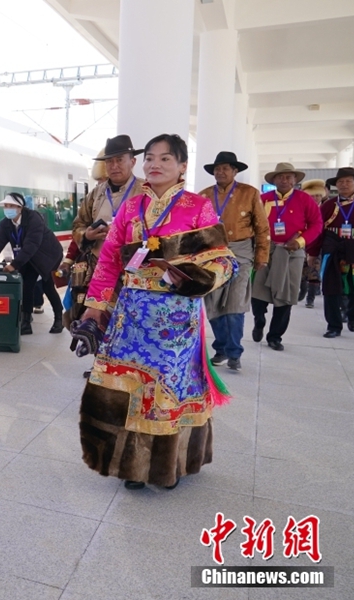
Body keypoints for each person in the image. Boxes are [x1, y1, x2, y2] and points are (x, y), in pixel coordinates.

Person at [70, 134, 237, 490]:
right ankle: (132, 463)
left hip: (176, 317)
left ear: (182, 166)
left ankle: (166, 465)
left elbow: (223, 258)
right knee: (130, 388)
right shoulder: (130, 209)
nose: (154, 165)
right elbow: (110, 262)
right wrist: (95, 310)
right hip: (130, 314)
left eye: (164, 159)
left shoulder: (197, 207)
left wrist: (196, 280)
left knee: (168, 392)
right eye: (150, 158)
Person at [68, 135, 145, 375]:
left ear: (132, 161)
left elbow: (156, 231)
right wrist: (88, 235)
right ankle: (100, 365)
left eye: (119, 160)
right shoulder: (96, 193)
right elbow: (78, 225)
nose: (114, 166)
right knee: (98, 318)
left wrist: (124, 235)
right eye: (109, 161)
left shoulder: (146, 191)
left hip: (132, 270)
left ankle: (126, 367)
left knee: (128, 320)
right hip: (98, 268)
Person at [198, 151, 270, 371]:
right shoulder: (204, 195)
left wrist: (261, 255)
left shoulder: (249, 193)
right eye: (217, 169)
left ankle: (234, 352)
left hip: (241, 251)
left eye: (226, 168)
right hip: (212, 252)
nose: (221, 172)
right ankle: (220, 347)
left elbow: (262, 227)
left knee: (235, 304)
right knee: (213, 303)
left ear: (235, 171)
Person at [251, 163, 322, 351]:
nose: (284, 180)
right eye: (280, 177)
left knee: (286, 295)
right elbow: (251, 222)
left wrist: (300, 241)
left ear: (295, 180)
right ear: (273, 180)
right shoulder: (262, 199)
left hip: (292, 253)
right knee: (257, 293)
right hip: (266, 250)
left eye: (289, 177)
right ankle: (259, 320)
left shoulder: (304, 199)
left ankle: (275, 336)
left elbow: (316, 224)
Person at [0, 192, 65, 334]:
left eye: (11, 205)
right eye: (6, 205)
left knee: (47, 285)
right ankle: (26, 322)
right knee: (27, 285)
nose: (7, 208)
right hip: (27, 256)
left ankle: (59, 319)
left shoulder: (33, 219)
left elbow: (32, 244)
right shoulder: (6, 224)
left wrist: (15, 265)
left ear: (20, 208)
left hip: (48, 255)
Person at [309, 167, 354, 337]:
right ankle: (333, 326)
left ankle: (353, 315)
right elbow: (318, 230)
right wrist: (313, 253)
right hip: (332, 251)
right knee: (331, 289)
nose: (344, 184)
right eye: (340, 182)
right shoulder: (328, 206)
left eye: (348, 181)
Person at [300, 179, 328, 307]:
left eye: (318, 195)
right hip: (301, 244)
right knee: (301, 272)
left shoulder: (326, 209)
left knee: (314, 273)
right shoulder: (301, 209)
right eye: (312, 195)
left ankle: (310, 299)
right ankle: (302, 290)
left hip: (318, 245)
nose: (315, 198)